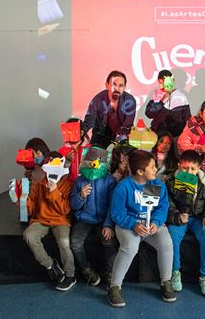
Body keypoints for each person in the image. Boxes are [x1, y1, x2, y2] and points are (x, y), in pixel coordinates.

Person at [108, 150, 175, 306]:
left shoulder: (157, 184)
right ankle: (114, 286)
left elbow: (163, 207)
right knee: (130, 247)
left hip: (150, 225)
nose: (155, 170)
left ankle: (166, 282)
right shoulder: (123, 187)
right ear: (140, 171)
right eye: (152, 167)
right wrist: (133, 224)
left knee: (166, 244)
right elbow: (117, 214)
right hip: (128, 225)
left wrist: (156, 223)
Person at [166, 150, 205, 296]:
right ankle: (175, 272)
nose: (188, 172)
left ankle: (204, 276)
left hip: (198, 218)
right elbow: (167, 205)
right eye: (185, 168)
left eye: (192, 169)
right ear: (179, 166)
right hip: (180, 217)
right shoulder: (171, 180)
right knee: (171, 236)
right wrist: (177, 216)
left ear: (199, 169)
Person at [22, 152, 76, 291]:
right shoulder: (39, 185)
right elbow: (32, 209)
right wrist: (23, 202)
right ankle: (51, 266)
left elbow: (65, 210)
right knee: (29, 235)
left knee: (64, 242)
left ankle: (70, 275)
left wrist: (54, 192)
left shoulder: (67, 185)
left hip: (60, 220)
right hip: (41, 219)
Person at [70, 146, 118, 287]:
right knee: (75, 242)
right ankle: (87, 270)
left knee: (110, 242)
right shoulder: (79, 181)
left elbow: (112, 205)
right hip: (84, 219)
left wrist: (108, 224)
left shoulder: (109, 181)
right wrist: (81, 196)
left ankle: (109, 273)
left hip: (103, 220)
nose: (94, 163)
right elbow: (74, 205)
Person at [83, 70, 136, 149]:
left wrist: (118, 143)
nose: (117, 89)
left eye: (121, 85)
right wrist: (80, 134)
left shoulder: (130, 101)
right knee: (93, 156)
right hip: (101, 134)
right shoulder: (98, 99)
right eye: (113, 85)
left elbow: (127, 125)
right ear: (107, 85)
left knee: (126, 154)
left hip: (123, 133)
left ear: (125, 87)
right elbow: (89, 121)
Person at [145, 69, 191, 138]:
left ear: (173, 80)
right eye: (160, 83)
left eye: (166, 82)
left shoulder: (181, 97)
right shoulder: (156, 94)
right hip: (158, 136)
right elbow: (149, 113)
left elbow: (187, 120)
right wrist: (162, 102)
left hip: (175, 137)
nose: (163, 86)